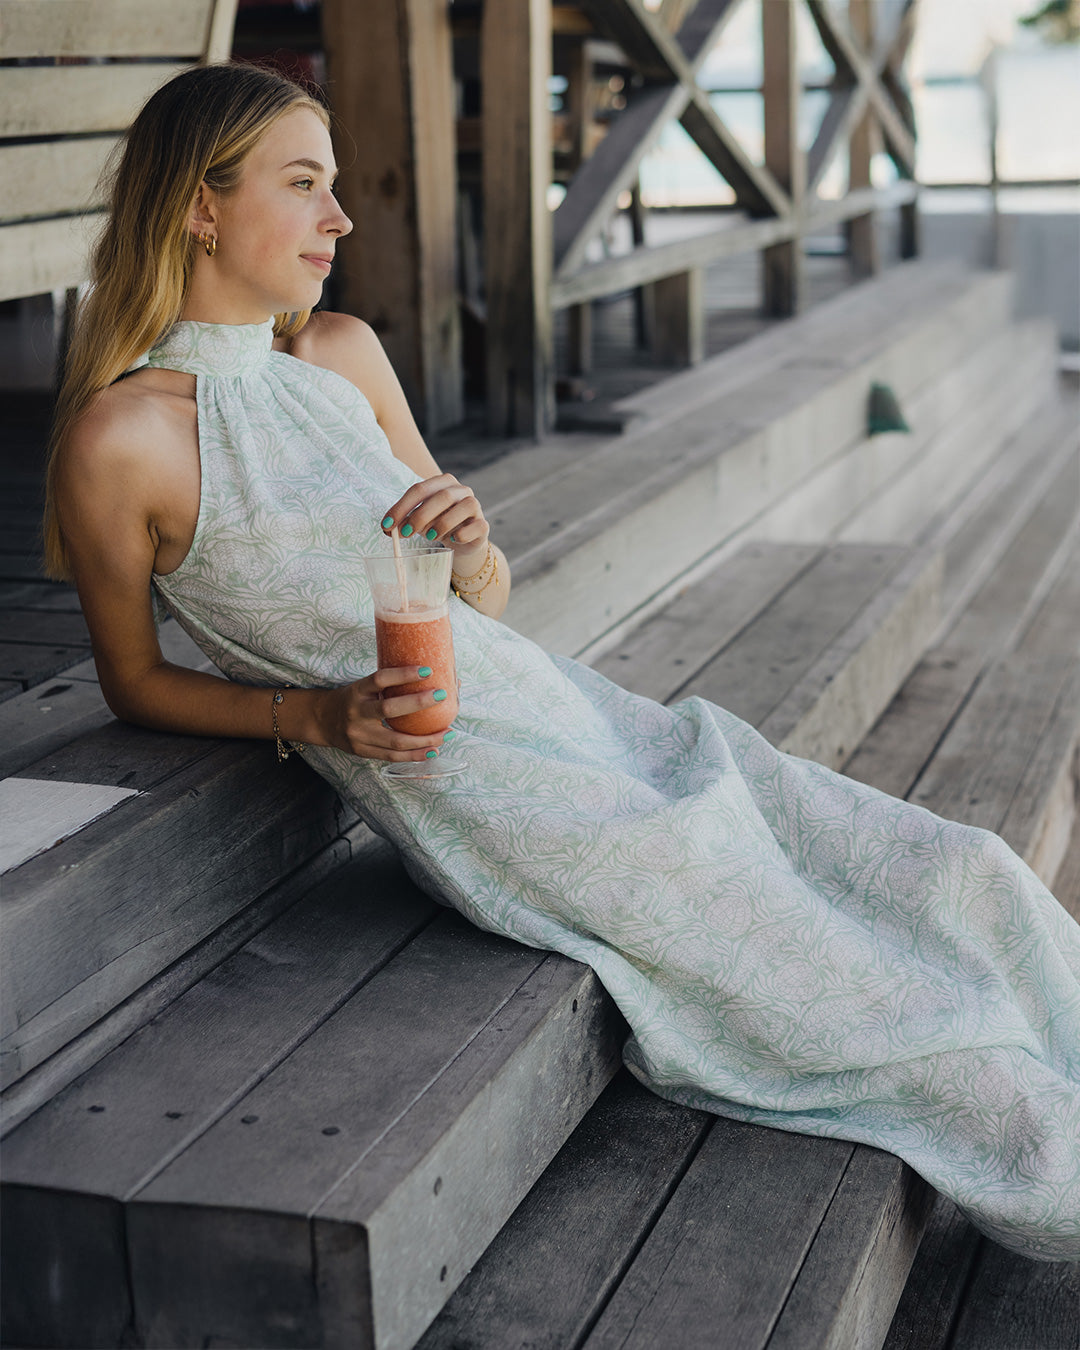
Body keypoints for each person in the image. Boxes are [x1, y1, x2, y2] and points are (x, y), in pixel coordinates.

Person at [46, 62, 1080, 1263]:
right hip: (491, 793)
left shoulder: (340, 354)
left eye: (336, 187)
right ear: (199, 205)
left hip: (576, 712)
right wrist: (315, 717)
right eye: (304, 185)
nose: (340, 218)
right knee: (875, 997)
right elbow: (135, 682)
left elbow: (482, 598)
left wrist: (474, 546)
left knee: (965, 869)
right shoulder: (124, 440)